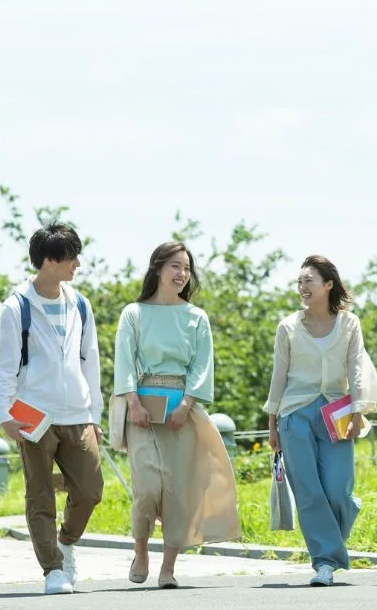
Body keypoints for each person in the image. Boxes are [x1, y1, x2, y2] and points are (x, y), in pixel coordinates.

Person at [113, 241, 240, 589]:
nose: (182, 274)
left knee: (177, 490)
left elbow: (202, 366)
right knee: (148, 486)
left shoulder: (196, 317)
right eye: (175, 266)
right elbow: (124, 360)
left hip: (184, 409)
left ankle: (168, 567)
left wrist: (186, 405)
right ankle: (141, 550)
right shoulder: (134, 313)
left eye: (186, 268)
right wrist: (133, 402)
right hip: (142, 408)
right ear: (157, 268)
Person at [0, 223, 103, 595]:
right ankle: (52, 570)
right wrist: (4, 414)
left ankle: (66, 543)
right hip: (33, 414)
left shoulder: (80, 305)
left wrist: (96, 415)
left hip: (77, 413)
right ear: (51, 260)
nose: (78, 264)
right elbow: (5, 366)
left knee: (90, 490)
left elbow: (91, 362)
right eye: (72, 257)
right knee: (39, 494)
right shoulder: (16, 307)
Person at [264, 255, 377, 587]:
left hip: (337, 413)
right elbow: (278, 376)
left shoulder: (349, 323)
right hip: (293, 414)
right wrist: (272, 424)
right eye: (299, 281)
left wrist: (358, 411)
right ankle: (324, 562)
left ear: (328, 284)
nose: (302, 287)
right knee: (309, 491)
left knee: (337, 490)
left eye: (309, 281)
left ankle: (333, 533)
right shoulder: (287, 326)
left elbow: (356, 368)